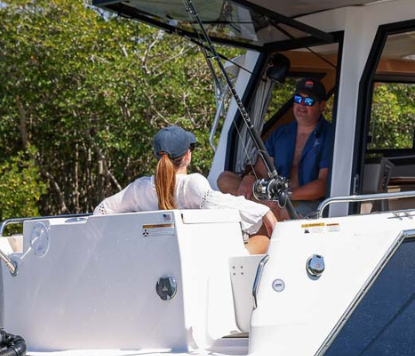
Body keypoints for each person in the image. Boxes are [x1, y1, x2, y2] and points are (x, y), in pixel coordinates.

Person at [94, 125, 277, 254]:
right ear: (188, 155)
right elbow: (220, 202)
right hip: (196, 256)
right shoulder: (191, 185)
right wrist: (264, 210)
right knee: (263, 236)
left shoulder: (139, 189)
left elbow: (103, 210)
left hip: (158, 257)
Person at [218, 78, 334, 220]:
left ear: (322, 105)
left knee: (277, 211)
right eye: (298, 99)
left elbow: (322, 185)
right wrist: (250, 178)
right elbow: (261, 171)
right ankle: (261, 207)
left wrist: (284, 196)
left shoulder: (331, 135)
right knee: (225, 179)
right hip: (273, 197)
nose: (301, 105)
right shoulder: (281, 133)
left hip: (308, 203)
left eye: (309, 101)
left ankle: (257, 208)